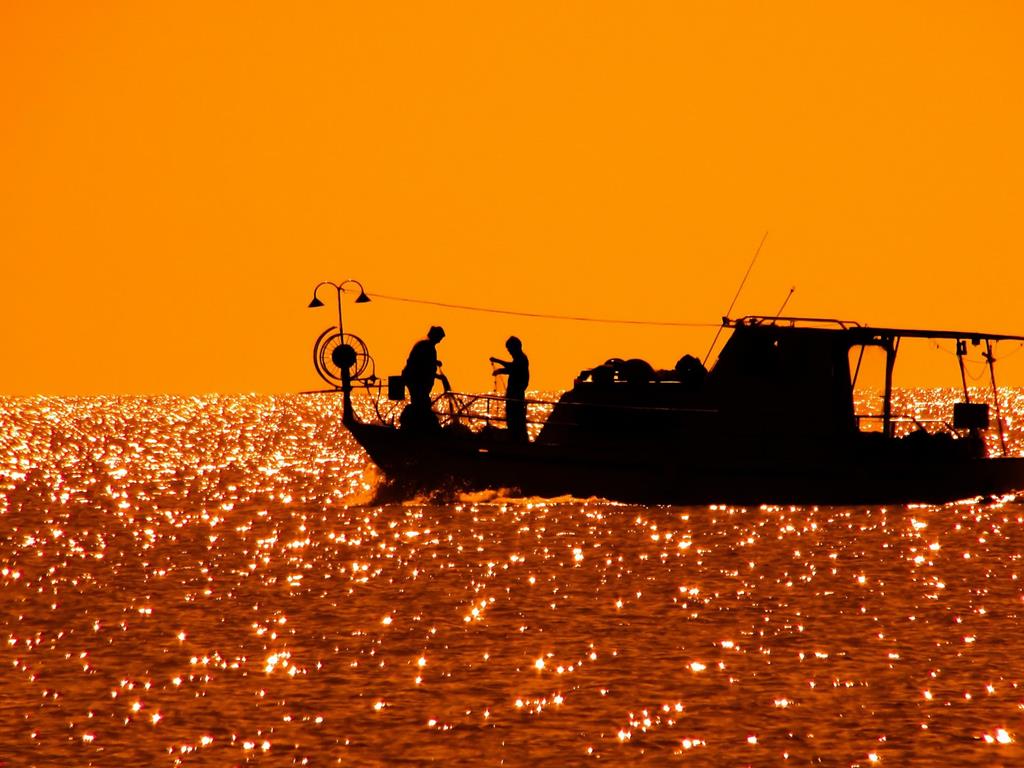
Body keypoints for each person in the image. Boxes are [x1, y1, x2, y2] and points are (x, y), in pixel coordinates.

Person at [400, 326, 447, 431]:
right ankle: (418, 430)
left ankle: (415, 428)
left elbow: (424, 362)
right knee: (421, 403)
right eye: (439, 338)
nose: (440, 341)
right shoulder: (426, 346)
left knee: (420, 402)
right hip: (416, 381)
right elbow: (422, 367)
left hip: (414, 379)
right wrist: (439, 377)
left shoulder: (425, 345)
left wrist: (435, 362)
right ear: (435, 336)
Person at [490, 336, 529, 440]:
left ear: (515, 347)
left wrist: (497, 361)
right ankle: (515, 437)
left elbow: (512, 368)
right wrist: (500, 371)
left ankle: (518, 439)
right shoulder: (518, 359)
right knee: (512, 418)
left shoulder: (522, 359)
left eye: (510, 349)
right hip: (513, 393)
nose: (509, 352)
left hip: (516, 394)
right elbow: (511, 369)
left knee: (516, 418)